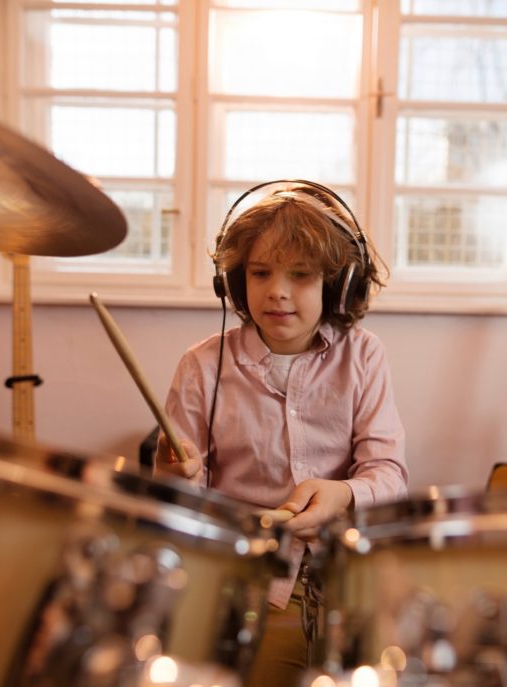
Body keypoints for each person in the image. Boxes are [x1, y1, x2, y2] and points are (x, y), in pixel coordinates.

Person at [155, 180, 409, 687]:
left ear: (337, 284)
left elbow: (390, 474)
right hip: (255, 581)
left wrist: (344, 493)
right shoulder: (202, 366)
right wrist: (171, 472)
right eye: (260, 272)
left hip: (351, 570)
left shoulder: (364, 356)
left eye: (301, 275)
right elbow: (181, 507)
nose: (278, 290)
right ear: (233, 281)